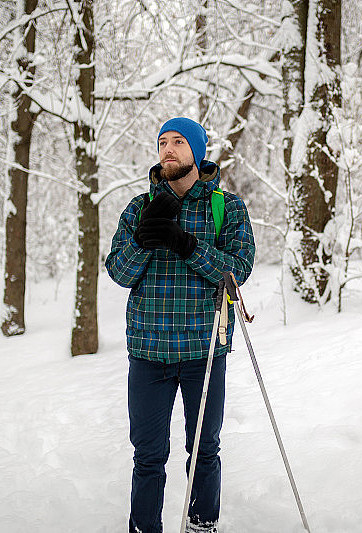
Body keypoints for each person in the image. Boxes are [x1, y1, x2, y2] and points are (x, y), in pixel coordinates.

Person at [105, 117, 255, 533]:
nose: (168, 149)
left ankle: (202, 525)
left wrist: (185, 243)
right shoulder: (139, 208)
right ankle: (144, 528)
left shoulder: (226, 208)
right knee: (148, 456)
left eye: (178, 142)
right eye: (162, 142)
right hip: (149, 352)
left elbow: (237, 270)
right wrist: (144, 240)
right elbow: (119, 271)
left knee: (204, 450)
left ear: (198, 150)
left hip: (204, 352)